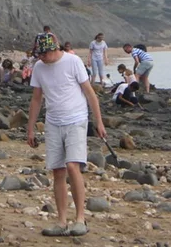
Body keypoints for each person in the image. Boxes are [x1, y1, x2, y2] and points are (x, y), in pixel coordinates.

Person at [26, 33, 106, 237]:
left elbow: (89, 92)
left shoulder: (73, 61)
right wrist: (30, 127)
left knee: (73, 165)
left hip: (76, 120)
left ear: (54, 49)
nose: (41, 57)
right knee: (58, 171)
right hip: (53, 123)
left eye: (43, 53)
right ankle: (61, 221)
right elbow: (36, 99)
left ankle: (80, 219)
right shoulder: (39, 67)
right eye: (39, 54)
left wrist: (99, 121)